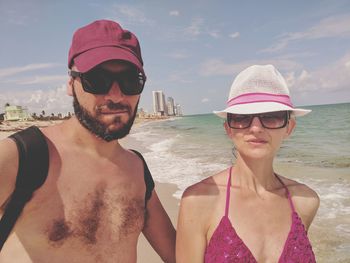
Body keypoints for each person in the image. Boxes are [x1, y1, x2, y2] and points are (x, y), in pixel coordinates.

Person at [0, 20, 175, 262]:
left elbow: (179, 254)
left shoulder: (137, 169)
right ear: (71, 84)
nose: (116, 95)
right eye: (97, 79)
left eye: (130, 81)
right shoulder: (21, 157)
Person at [176, 65, 320, 262]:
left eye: (271, 116)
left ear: (289, 127)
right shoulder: (198, 201)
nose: (256, 128)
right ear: (228, 128)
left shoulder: (306, 201)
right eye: (242, 118)